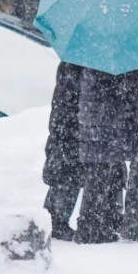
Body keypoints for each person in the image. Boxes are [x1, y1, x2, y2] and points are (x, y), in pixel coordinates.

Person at [75, 62, 138, 244]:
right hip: (126, 125)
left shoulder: (95, 58)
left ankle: (92, 224)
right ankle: (133, 222)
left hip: (97, 124)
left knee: (101, 167)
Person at [42, 60, 84, 242]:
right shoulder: (75, 66)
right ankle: (57, 222)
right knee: (67, 175)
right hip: (68, 129)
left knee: (63, 174)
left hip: (64, 127)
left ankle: (52, 220)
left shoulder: (71, 63)